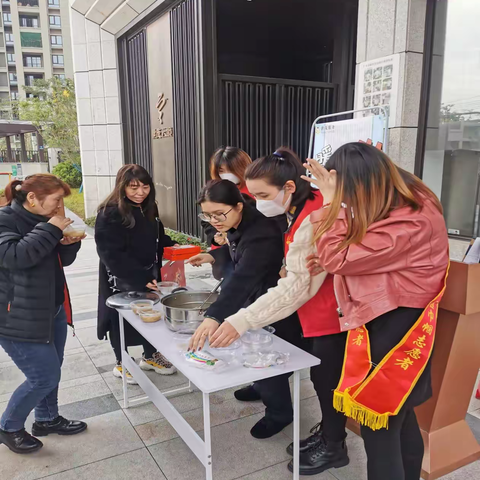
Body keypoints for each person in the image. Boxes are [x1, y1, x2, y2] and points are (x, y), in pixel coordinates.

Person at [306, 142, 448, 480]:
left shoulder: (411, 222)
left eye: (344, 194)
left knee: (380, 427)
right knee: (400, 417)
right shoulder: (409, 202)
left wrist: (329, 207)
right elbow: (364, 254)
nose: (345, 203)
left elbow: (337, 258)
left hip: (397, 328)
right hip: (394, 318)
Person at [209, 148, 349, 475]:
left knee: (327, 379)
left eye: (262, 194)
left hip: (331, 310)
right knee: (321, 377)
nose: (257, 202)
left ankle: (333, 446)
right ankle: (328, 435)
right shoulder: (300, 206)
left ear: (288, 187)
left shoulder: (314, 215)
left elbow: (298, 287)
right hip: (315, 306)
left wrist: (241, 320)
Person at [187, 179, 303, 438]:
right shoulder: (238, 221)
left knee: (270, 355)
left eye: (219, 213)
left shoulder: (261, 231)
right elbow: (237, 254)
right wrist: (214, 255)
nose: (214, 220)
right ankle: (261, 387)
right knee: (254, 349)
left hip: (273, 303)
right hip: (254, 297)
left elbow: (243, 277)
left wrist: (214, 316)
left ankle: (279, 413)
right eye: (207, 215)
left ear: (239, 206)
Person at [0, 175, 87, 454]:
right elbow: (16, 257)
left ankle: (47, 419)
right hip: (17, 318)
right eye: (56, 200)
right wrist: (50, 229)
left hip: (52, 309)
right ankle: (9, 426)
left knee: (54, 369)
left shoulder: (43, 220)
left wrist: (68, 242)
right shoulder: (5, 220)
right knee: (43, 376)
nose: (60, 207)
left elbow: (60, 259)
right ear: (33, 199)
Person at [95, 165, 176, 385]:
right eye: (133, 187)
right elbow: (110, 254)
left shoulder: (149, 208)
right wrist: (140, 278)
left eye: (145, 186)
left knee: (151, 315)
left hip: (150, 273)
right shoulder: (109, 212)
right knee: (120, 319)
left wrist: (177, 248)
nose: (140, 192)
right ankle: (122, 361)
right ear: (122, 186)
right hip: (121, 276)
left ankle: (150, 355)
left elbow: (159, 238)